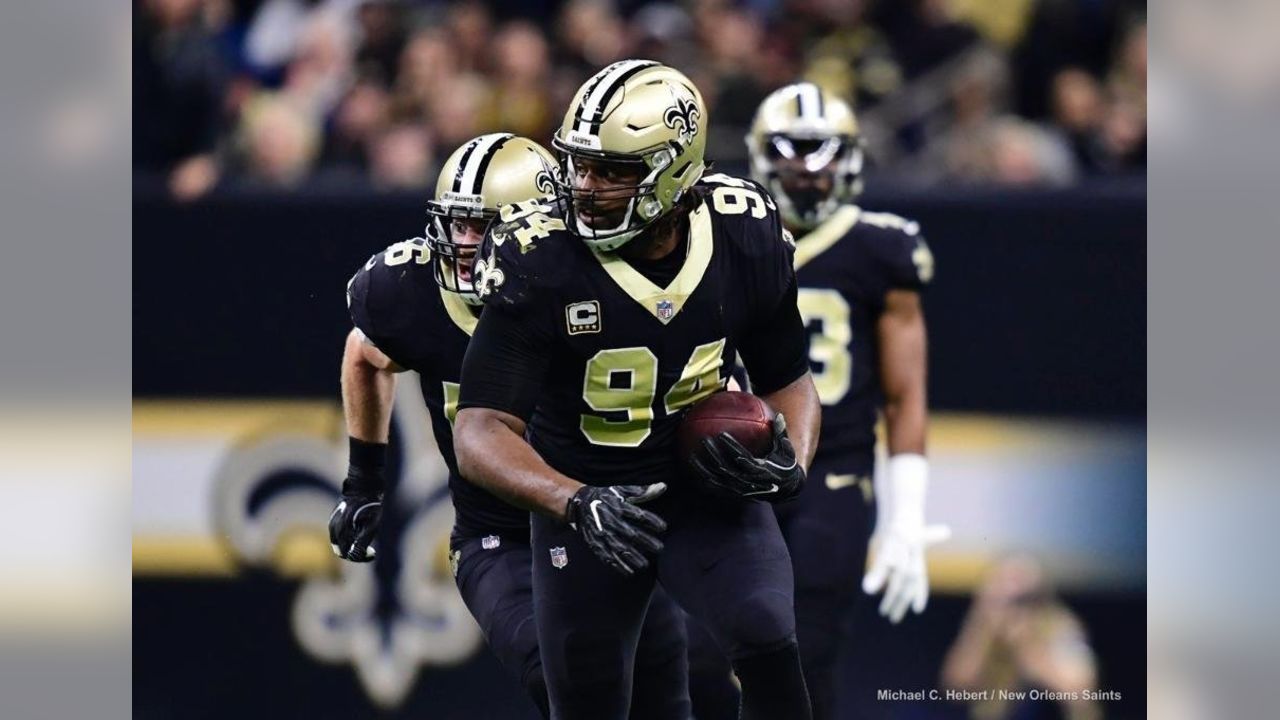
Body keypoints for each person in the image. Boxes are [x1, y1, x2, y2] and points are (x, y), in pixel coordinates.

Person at [454, 60, 821, 720]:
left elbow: (791, 383)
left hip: (706, 486)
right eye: (579, 165)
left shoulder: (745, 231)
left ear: (674, 172)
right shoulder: (539, 258)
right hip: (591, 501)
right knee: (588, 703)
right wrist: (574, 501)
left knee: (769, 638)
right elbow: (479, 430)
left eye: (613, 171)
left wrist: (791, 460)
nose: (585, 186)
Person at [327, 133, 687, 719]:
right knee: (570, 687)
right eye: (456, 224)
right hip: (503, 537)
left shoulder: (590, 281)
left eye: (484, 227)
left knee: (668, 699)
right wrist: (363, 482)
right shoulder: (407, 291)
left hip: (605, 527)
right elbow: (364, 354)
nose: (465, 244)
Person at [715, 82, 945, 720]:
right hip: (728, 468)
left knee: (804, 651)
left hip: (832, 471)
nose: (809, 173)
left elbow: (905, 395)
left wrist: (908, 515)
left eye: (823, 154)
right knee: (701, 656)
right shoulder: (722, 236)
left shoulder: (880, 248)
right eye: (793, 154)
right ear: (762, 157)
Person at [941, 556, 1101, 720]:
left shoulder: (1060, 626)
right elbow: (956, 687)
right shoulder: (985, 626)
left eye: (1023, 599)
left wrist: (1028, 646)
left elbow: (1082, 693)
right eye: (1006, 598)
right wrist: (983, 626)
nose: (1014, 610)